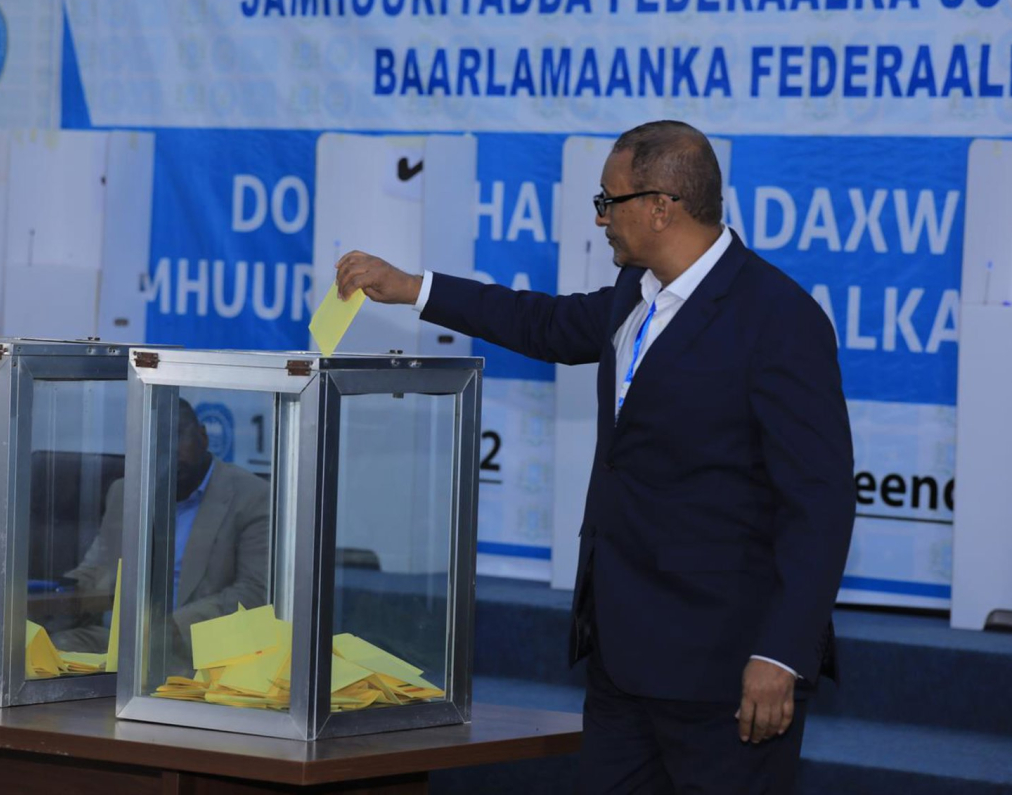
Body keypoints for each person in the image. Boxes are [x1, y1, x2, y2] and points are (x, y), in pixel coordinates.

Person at [335, 120, 855, 795]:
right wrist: (415, 287)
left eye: (609, 201)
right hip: (622, 659)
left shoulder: (779, 319)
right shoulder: (634, 294)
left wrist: (781, 654)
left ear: (661, 207)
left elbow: (820, 504)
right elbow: (541, 323)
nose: (600, 218)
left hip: (724, 671)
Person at [54, 398, 270, 658]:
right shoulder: (125, 492)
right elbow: (97, 567)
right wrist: (56, 594)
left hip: (194, 646)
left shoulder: (252, 496)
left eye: (177, 435)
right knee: (51, 650)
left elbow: (254, 592)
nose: (168, 450)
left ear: (203, 436)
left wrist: (170, 628)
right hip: (117, 638)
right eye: (155, 441)